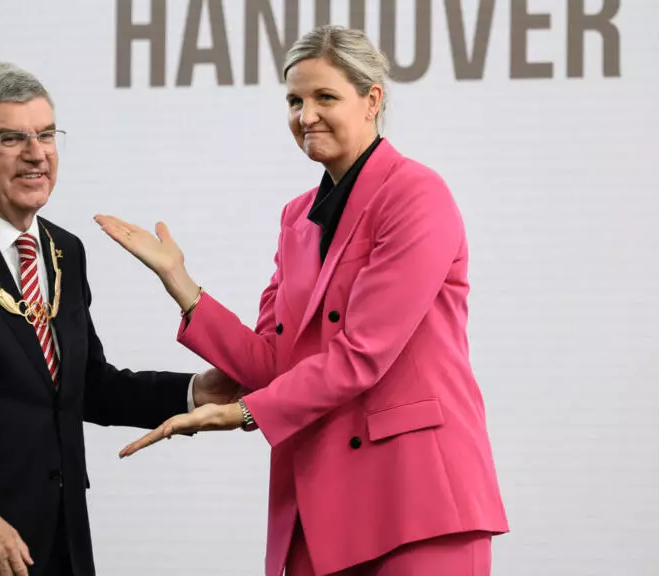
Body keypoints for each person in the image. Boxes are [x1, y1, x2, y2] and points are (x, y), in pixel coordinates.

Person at [94, 25, 509, 576]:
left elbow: (362, 354)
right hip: (322, 505)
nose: (306, 116)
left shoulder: (416, 194)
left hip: (417, 501)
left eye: (325, 97)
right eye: (294, 101)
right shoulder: (297, 217)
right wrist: (181, 283)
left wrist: (243, 413)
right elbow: (272, 364)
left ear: (372, 100)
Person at [0, 61, 239, 576]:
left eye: (45, 134)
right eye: (11, 138)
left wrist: (194, 392)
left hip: (58, 540)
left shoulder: (65, 249)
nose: (36, 153)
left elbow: (87, 386)